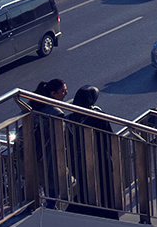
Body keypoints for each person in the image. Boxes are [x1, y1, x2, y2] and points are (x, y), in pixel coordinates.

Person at [65, 86, 118, 219]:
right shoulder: (98, 116)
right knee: (105, 189)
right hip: (100, 159)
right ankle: (108, 216)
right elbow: (109, 138)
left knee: (84, 187)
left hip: (80, 161)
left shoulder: (71, 117)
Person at [30, 79, 67, 208]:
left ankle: (48, 207)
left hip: (37, 151)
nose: (66, 93)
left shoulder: (37, 106)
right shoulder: (56, 113)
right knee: (53, 182)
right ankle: (51, 208)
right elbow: (59, 137)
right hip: (50, 152)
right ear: (53, 93)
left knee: (45, 180)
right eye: (63, 91)